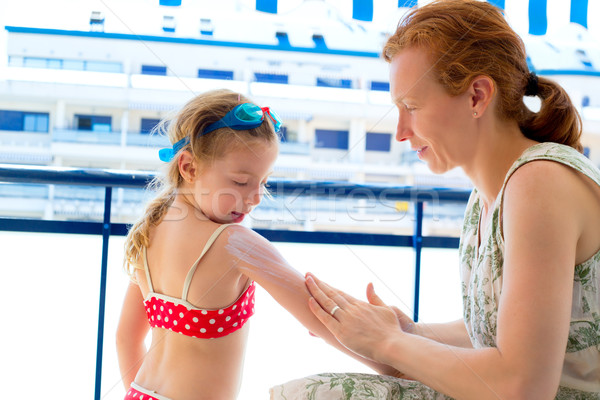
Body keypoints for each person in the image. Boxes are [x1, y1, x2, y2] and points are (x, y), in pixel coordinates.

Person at [271, 1, 600, 399]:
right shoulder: (490, 195)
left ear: (477, 96)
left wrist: (389, 342)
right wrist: (404, 332)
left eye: (410, 107)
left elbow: (524, 387)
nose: (400, 132)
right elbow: (500, 332)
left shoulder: (539, 183)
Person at [116, 89, 403, 400]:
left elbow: (126, 338)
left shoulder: (150, 230)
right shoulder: (235, 244)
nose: (254, 198)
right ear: (189, 167)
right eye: (241, 182)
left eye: (263, 182)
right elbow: (323, 318)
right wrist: (402, 367)